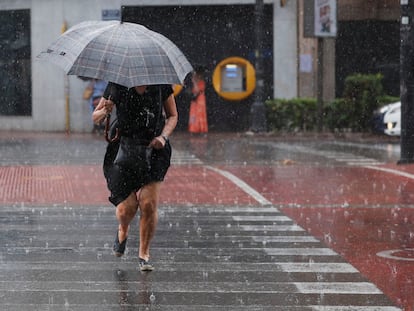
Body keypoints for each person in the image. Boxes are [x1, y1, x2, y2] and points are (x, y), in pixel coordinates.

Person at [92, 83, 178, 271]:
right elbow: (95, 118)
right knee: (126, 210)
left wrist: (163, 136)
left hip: (154, 149)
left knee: (148, 204)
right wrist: (105, 111)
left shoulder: (161, 85)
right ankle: (123, 229)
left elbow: (173, 115)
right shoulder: (117, 85)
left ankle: (144, 254)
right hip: (123, 150)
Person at [188, 70, 208, 134]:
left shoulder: (201, 82)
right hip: (194, 101)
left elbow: (197, 90)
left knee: (199, 114)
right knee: (193, 114)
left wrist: (194, 82)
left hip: (200, 100)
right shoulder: (193, 83)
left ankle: (200, 128)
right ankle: (193, 128)